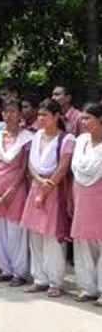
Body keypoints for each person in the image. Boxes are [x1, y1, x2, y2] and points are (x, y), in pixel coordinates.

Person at [21, 99, 74, 298]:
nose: (40, 119)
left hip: (54, 190)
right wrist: (38, 182)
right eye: (39, 115)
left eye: (45, 115)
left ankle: (55, 281)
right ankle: (39, 278)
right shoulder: (36, 136)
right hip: (37, 186)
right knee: (35, 235)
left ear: (56, 116)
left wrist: (46, 187)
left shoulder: (67, 139)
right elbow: (30, 165)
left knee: (52, 238)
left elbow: (62, 167)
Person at [0, 99, 32, 287]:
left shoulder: (27, 137)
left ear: (20, 114)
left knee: (15, 232)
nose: (7, 115)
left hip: (15, 188)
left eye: (12, 111)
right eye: (5, 111)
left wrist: (12, 189)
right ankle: (4, 269)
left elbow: (24, 167)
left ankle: (18, 272)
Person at [70, 103, 102, 305]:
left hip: (99, 197)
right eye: (82, 118)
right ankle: (88, 287)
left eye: (87, 118)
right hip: (81, 196)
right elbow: (76, 171)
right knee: (83, 242)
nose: (83, 122)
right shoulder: (81, 140)